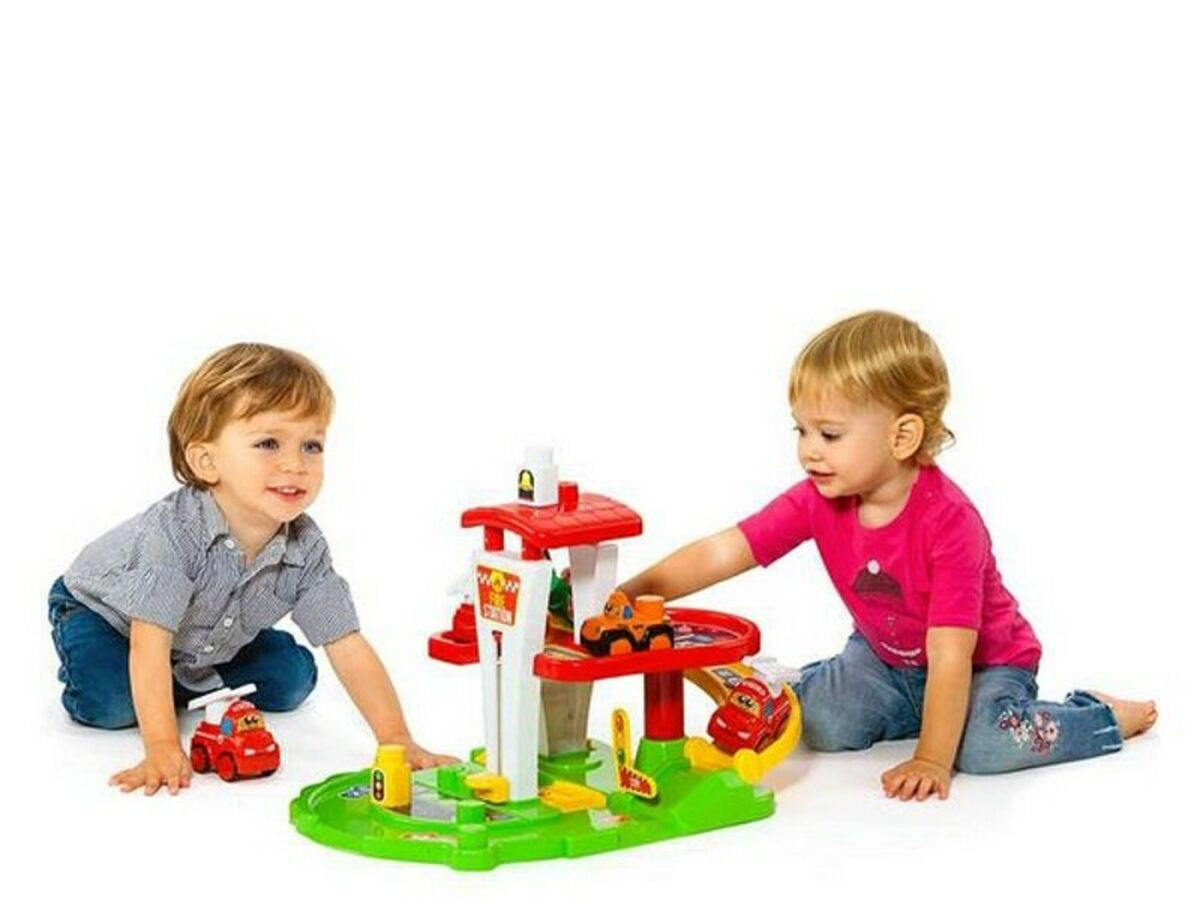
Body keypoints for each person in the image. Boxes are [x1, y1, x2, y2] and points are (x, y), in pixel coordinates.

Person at [619, 311, 1156, 801]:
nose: (808, 449)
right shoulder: (816, 498)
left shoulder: (951, 521)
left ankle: (1099, 717)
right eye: (801, 430)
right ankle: (817, 687)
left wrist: (932, 759)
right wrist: (635, 592)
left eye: (829, 434)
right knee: (821, 725)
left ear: (902, 437)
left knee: (982, 750)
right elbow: (725, 549)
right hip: (886, 660)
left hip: (982, 664)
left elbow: (950, 654)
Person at [49, 342, 455, 795]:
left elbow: (346, 641)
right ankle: (165, 686)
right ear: (206, 461)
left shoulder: (305, 547)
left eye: (311, 445)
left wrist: (396, 740)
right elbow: (149, 640)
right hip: (110, 618)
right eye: (268, 444)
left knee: (291, 681)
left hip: (202, 631)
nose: (295, 464)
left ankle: (181, 678)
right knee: (110, 702)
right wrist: (162, 745)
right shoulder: (175, 534)